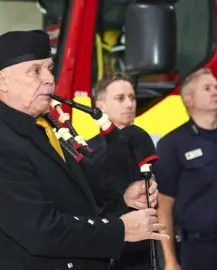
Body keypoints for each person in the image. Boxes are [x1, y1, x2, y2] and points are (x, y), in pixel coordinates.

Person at [0, 30, 169, 270]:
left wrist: (123, 201)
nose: (49, 79)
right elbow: (41, 231)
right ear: (2, 81)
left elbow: (72, 204)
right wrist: (121, 230)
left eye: (49, 68)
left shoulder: (40, 126)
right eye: (35, 70)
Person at [154, 68, 217, 270]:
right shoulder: (173, 143)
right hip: (196, 249)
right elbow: (163, 208)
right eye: (207, 88)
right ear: (188, 99)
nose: (216, 92)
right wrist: (170, 260)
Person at [86, 73, 151, 270]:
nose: (129, 104)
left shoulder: (146, 146)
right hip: (109, 255)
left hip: (147, 254)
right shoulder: (87, 152)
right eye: (120, 98)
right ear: (101, 105)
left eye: (132, 97)